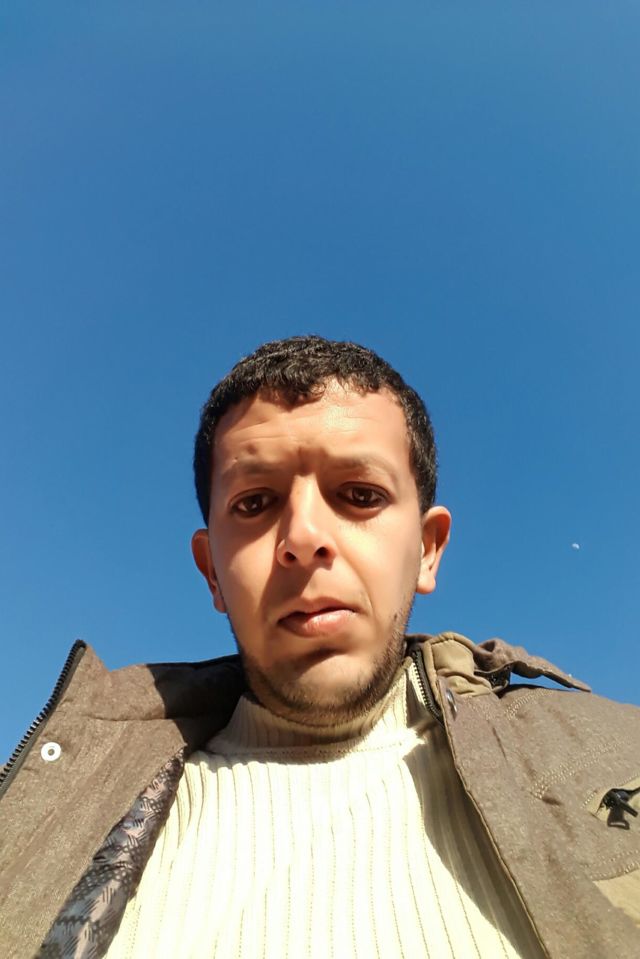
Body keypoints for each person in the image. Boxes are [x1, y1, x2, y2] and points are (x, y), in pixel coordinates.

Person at [1, 336, 639, 959]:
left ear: (428, 549)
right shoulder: (49, 827)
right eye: (255, 502)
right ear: (212, 571)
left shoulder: (616, 751)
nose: (304, 538)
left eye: (360, 495)